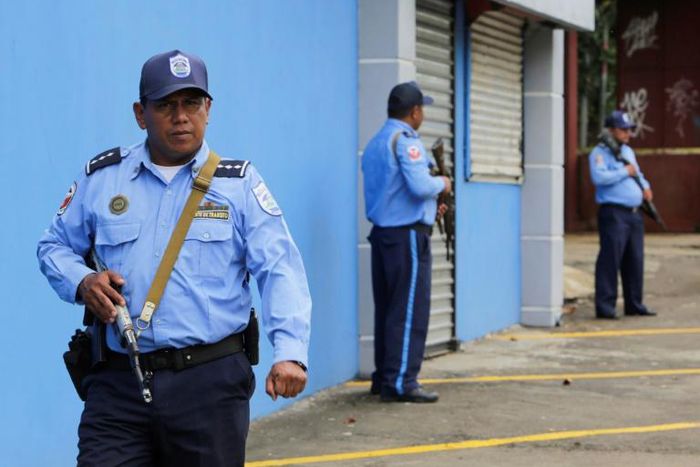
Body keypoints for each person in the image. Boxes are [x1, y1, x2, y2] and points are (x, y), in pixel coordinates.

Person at [37, 50, 311, 466]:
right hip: (118, 382)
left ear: (208, 109)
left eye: (191, 103)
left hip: (209, 385)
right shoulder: (102, 177)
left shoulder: (238, 185)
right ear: (140, 113)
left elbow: (280, 269)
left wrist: (289, 352)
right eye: (165, 104)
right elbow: (53, 246)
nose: (180, 116)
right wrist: (82, 281)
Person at [361, 81, 451, 403]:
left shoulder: (375, 143)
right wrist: (442, 182)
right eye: (422, 108)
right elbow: (417, 184)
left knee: (389, 308)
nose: (422, 114)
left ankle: (384, 377)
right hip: (407, 238)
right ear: (414, 112)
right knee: (410, 308)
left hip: (385, 235)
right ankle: (402, 381)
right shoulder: (407, 141)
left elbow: (395, 190)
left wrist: (430, 204)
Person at [589, 110, 656, 320]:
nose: (628, 133)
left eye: (629, 130)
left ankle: (634, 304)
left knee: (634, 259)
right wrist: (623, 172)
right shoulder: (599, 153)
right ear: (611, 130)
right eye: (623, 130)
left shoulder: (627, 152)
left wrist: (645, 187)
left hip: (634, 214)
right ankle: (605, 307)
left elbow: (637, 173)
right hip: (614, 213)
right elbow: (599, 178)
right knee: (611, 259)